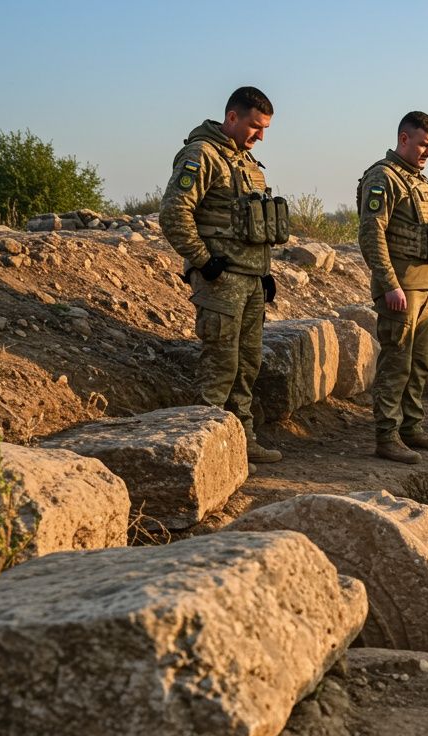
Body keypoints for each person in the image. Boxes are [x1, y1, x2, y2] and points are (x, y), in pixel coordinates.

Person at [161, 86, 286, 465]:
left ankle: (243, 440)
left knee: (247, 366)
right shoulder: (201, 155)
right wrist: (203, 261)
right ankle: (209, 454)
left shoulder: (247, 163)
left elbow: (252, 224)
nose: (260, 136)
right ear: (232, 117)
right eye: (255, 126)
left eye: (265, 129)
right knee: (219, 369)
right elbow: (174, 213)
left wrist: (264, 273)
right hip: (220, 282)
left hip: (250, 280)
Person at [355, 111, 428, 463]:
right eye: (424, 144)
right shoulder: (383, 177)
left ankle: (412, 427)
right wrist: (389, 284)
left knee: (419, 364)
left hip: (425, 287)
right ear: (404, 139)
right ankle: (387, 435)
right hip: (401, 289)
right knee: (396, 362)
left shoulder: (421, 183)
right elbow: (371, 234)